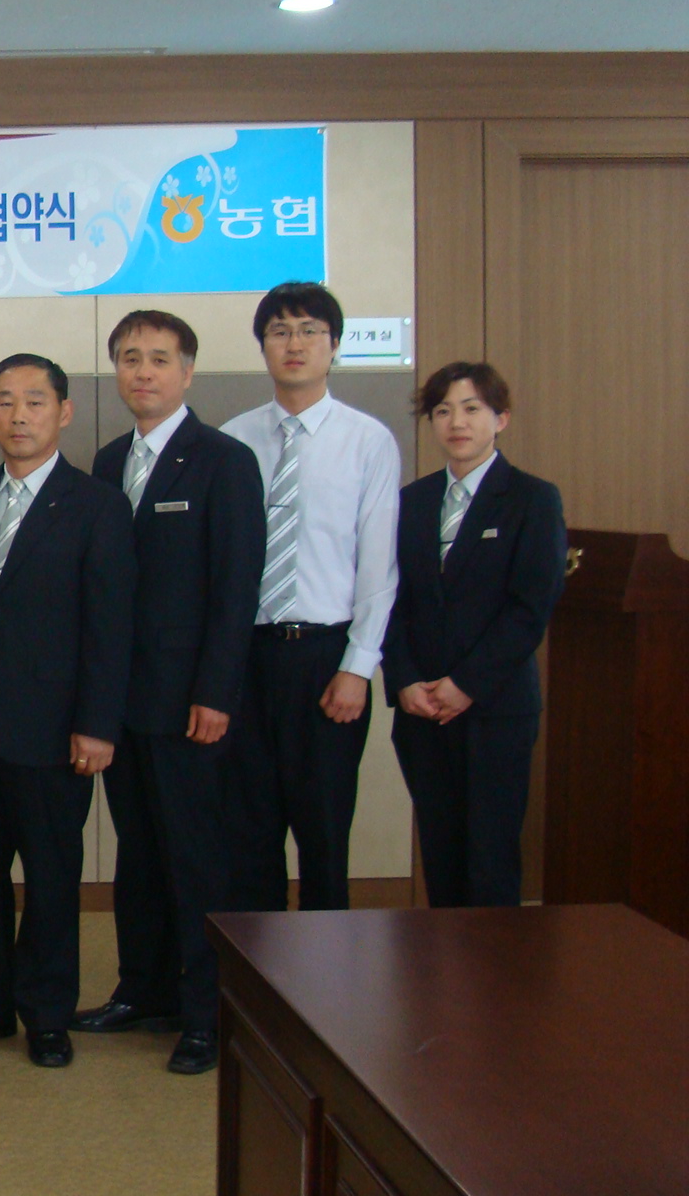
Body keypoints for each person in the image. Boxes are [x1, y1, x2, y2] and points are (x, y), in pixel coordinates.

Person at [0, 354, 133, 1068]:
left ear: (64, 413)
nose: (20, 416)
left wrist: (98, 723)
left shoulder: (99, 504)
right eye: (6, 402)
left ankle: (46, 1015)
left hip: (56, 728)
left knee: (50, 877)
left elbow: (110, 625)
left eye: (36, 402)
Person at [72, 311, 264, 1076]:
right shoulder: (110, 458)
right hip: (122, 702)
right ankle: (141, 990)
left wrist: (217, 691)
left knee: (197, 860)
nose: (142, 372)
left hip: (191, 705)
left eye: (158, 359)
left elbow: (237, 589)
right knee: (139, 853)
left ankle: (205, 1011)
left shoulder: (224, 460)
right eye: (129, 358)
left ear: (187, 372)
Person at [223, 282, 400, 913]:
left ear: (334, 345)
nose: (293, 344)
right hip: (245, 658)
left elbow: (379, 568)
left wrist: (358, 667)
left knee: (324, 835)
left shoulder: (367, 440)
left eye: (309, 331)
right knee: (248, 834)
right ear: (262, 346)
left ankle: (328, 973)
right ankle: (255, 970)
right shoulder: (233, 440)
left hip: (326, 659)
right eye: (279, 331)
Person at [383, 362, 565, 908]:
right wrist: (405, 680)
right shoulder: (411, 501)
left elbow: (529, 609)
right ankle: (444, 964)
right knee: (441, 857)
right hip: (421, 710)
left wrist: (464, 684)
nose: (456, 422)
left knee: (490, 860)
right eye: (443, 411)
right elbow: (389, 599)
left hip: (494, 709)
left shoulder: (533, 499)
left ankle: (495, 968)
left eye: (471, 409)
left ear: (500, 418)